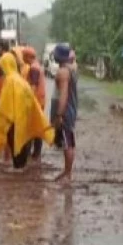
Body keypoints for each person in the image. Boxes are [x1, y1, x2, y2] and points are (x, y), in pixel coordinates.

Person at [0, 51, 52, 172]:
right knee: (21, 142)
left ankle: (18, 170)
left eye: (2, 65)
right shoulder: (18, 78)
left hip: (14, 118)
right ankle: (21, 169)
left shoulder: (11, 80)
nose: (0, 68)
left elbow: (5, 101)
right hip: (22, 116)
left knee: (15, 144)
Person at [49, 43, 78, 181]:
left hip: (66, 111)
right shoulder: (71, 69)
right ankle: (67, 172)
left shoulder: (63, 72)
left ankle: (67, 173)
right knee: (69, 141)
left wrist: (59, 115)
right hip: (71, 109)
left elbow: (63, 95)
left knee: (67, 142)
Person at [21, 47, 48, 161]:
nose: (22, 58)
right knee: (36, 126)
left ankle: (34, 153)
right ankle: (35, 153)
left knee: (33, 127)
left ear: (28, 56)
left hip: (35, 102)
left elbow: (33, 87)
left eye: (24, 56)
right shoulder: (36, 66)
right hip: (39, 101)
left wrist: (27, 102)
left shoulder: (34, 68)